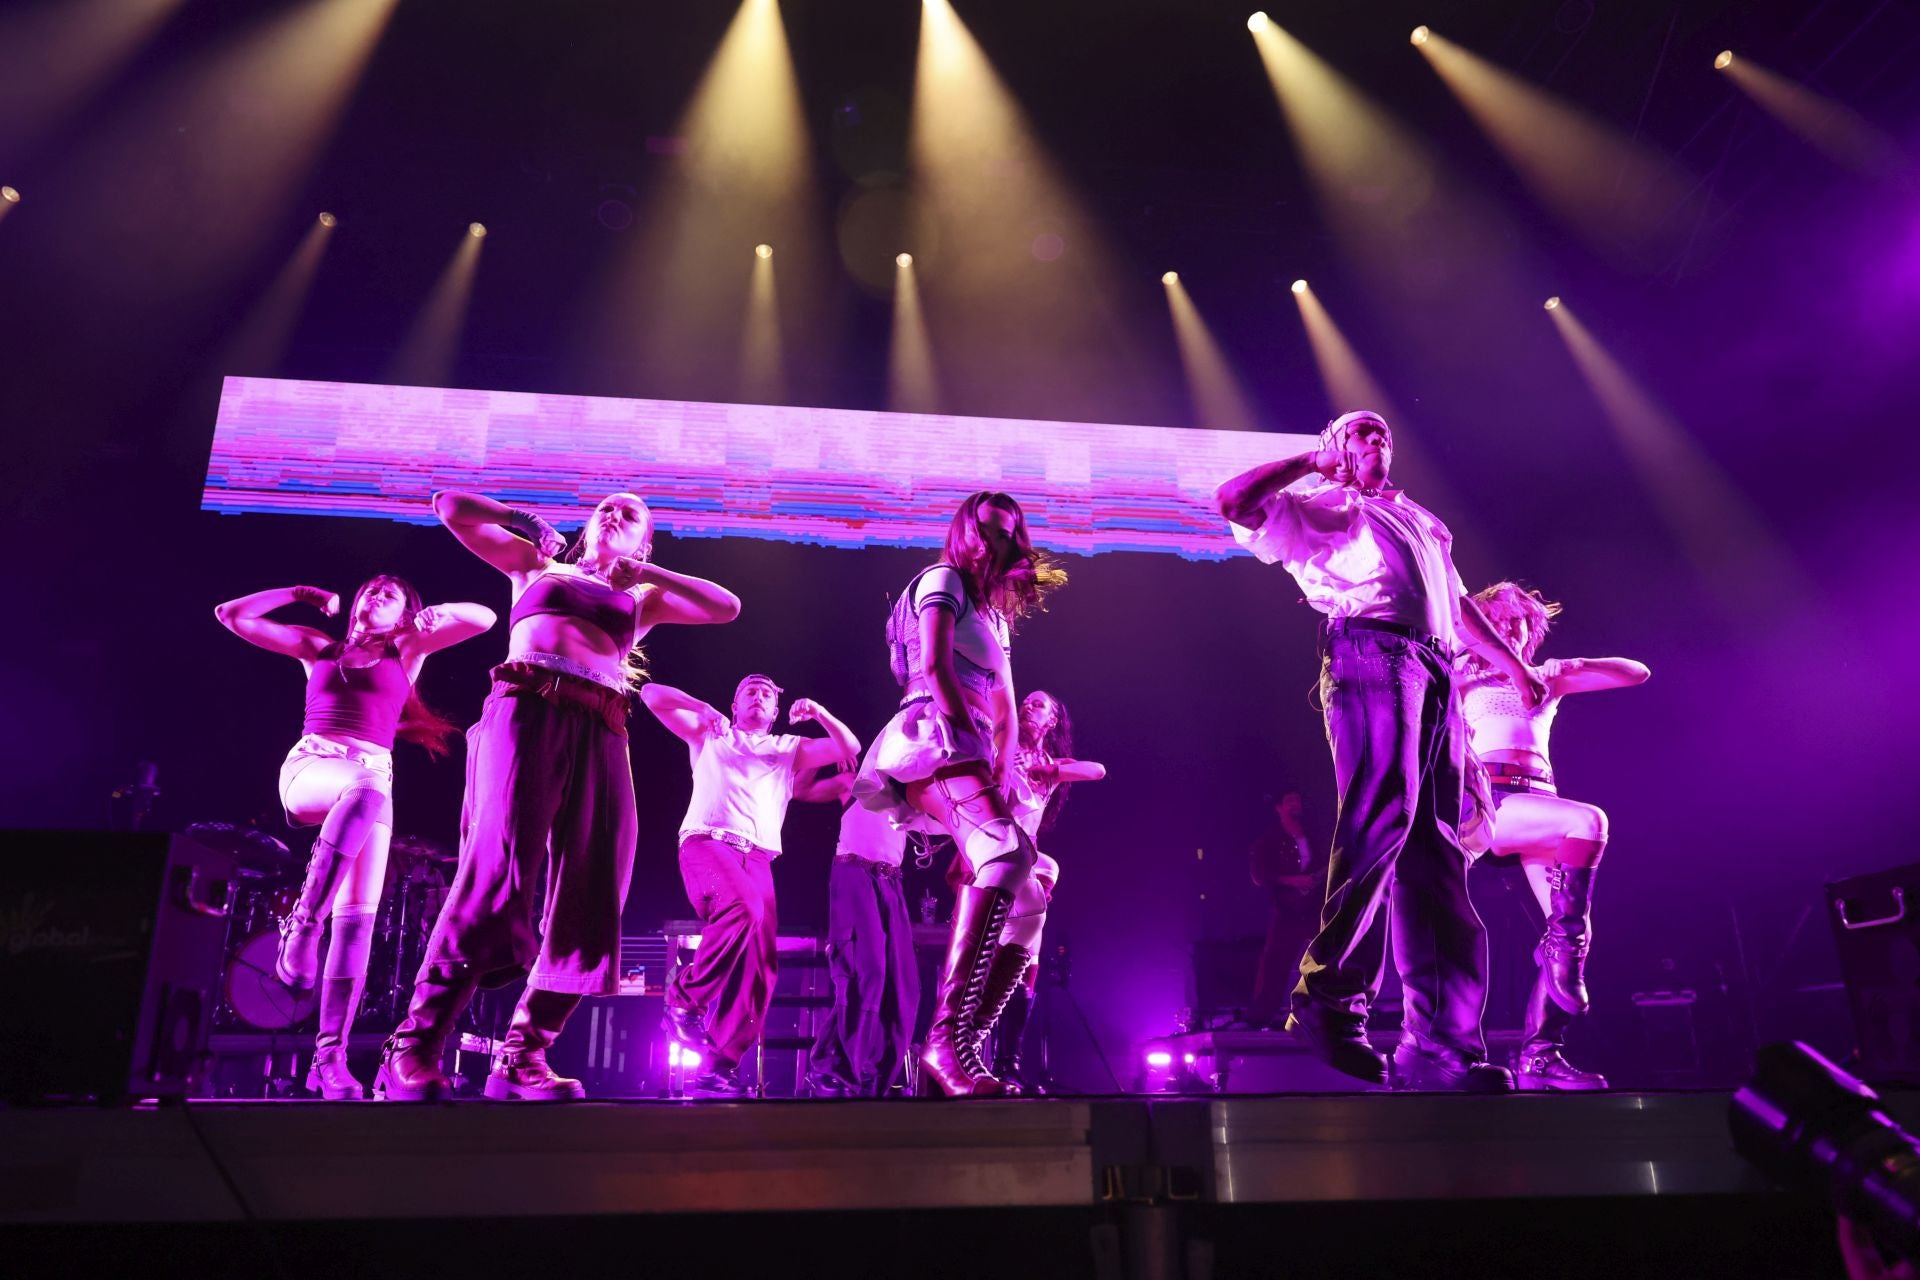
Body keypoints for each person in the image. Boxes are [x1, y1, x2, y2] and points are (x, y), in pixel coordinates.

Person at [1213, 410, 1545, 1093]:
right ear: (1335, 444)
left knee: (1437, 854)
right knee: (1383, 816)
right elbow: (1232, 501)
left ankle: (1441, 1048)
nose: (1374, 441)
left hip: (1436, 667)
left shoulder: (1422, 519)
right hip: (1370, 650)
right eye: (1358, 432)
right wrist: (1313, 461)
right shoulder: (1317, 509)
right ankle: (1328, 998)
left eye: (1382, 433)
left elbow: (1455, 603)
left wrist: (1513, 665)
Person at [376, 490, 741, 1102]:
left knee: (597, 886)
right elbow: (450, 506)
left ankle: (525, 1054)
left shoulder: (637, 599)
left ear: (643, 542)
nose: (613, 515)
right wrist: (527, 521)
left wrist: (644, 573)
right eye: (605, 508)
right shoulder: (538, 566)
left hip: (604, 723)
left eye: (630, 515)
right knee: (498, 871)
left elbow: (726, 607)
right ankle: (415, 1044)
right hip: (526, 707)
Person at [215, 576, 494, 1098]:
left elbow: (485, 618)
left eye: (391, 595)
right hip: (313, 768)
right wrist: (299, 594)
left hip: (371, 778)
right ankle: (303, 926)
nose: (376, 597)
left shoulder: (407, 649)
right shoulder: (320, 647)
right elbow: (231, 613)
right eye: (371, 591)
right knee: (365, 792)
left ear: (405, 614)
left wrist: (441, 609)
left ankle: (328, 1062)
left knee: (358, 924)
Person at [851, 491, 1066, 1097]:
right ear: (963, 529)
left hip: (973, 746)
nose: (993, 542)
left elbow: (1005, 702)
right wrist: (972, 742)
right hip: (933, 732)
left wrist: (1000, 765)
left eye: (1006, 534)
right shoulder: (941, 579)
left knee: (1030, 902)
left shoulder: (994, 616)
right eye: (986, 528)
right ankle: (946, 1043)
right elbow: (939, 665)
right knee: (1006, 854)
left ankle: (955, 1047)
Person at [1459, 581, 1649, 1090]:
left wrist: (1576, 664)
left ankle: (1539, 1058)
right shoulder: (1463, 675)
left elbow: (1636, 674)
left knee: (1574, 933)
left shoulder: (1545, 677)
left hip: (1536, 806)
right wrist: (1458, 674)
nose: (1509, 629)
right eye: (1497, 621)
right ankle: (1558, 952)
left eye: (1518, 622)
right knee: (1588, 822)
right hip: (1486, 804)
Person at [643, 675, 860, 1097]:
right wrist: (701, 705)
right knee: (744, 908)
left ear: (776, 711)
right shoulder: (711, 734)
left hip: (758, 857)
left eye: (766, 693)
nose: (758, 696)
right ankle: (683, 999)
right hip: (707, 843)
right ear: (735, 703)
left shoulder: (787, 749)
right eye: (749, 690)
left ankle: (717, 1067)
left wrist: (818, 713)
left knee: (759, 967)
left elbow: (848, 747)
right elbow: (651, 695)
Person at [973, 689, 1104, 1091]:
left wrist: (1052, 772)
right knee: (981, 968)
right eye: (1025, 702)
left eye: (1038, 704)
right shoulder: (1002, 743)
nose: (1028, 706)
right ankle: (966, 1052)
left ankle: (1007, 1063)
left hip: (1023, 865)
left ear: (1053, 721)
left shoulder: (1048, 762)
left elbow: (1096, 770)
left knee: (1024, 972)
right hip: (991, 859)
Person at [804, 777, 922, 1098]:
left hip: (891, 882)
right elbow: (801, 788)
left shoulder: (914, 793)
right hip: (855, 872)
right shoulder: (858, 783)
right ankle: (832, 1063)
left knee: (902, 983)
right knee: (867, 970)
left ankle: (871, 1067)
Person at [1247, 792, 1323, 1029]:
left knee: (1324, 961)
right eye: (1290, 801)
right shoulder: (1269, 841)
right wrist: (1292, 881)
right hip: (1287, 911)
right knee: (1275, 964)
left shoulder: (1315, 836)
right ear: (1279, 808)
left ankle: (1323, 1014)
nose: (1295, 805)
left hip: (1315, 909)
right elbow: (1260, 875)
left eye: (1298, 801)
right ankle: (1261, 1017)